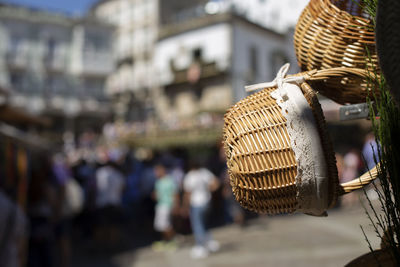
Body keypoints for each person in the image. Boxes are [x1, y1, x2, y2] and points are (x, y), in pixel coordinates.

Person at [183, 161, 220, 259]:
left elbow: (188, 193)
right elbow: (215, 183)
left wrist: (185, 207)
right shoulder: (204, 172)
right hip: (206, 202)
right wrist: (209, 191)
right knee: (204, 223)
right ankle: (209, 242)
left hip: (196, 203)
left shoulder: (189, 176)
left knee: (197, 225)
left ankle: (201, 246)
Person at [152, 163, 178, 251]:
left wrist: (175, 206)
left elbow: (175, 194)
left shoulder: (170, 180)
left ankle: (172, 241)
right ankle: (165, 241)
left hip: (167, 205)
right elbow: (156, 193)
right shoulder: (158, 182)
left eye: (157, 171)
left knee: (166, 225)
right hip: (160, 205)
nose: (156, 173)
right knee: (160, 226)